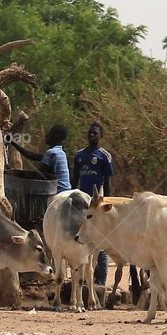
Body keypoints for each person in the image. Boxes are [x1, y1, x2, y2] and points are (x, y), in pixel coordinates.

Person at [72, 122, 114, 285]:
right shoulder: (79, 155)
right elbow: (75, 178)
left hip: (97, 202)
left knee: (100, 240)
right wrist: (71, 195)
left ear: (101, 136)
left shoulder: (105, 156)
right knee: (80, 236)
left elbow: (108, 181)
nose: (92, 135)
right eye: (90, 133)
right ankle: (79, 277)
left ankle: (100, 280)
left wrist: (107, 202)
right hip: (82, 201)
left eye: (95, 133)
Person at [21, 125, 71, 193]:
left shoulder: (50, 152)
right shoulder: (61, 152)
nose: (47, 135)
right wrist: (13, 143)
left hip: (58, 190)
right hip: (67, 189)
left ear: (57, 136)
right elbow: (32, 156)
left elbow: (39, 175)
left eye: (50, 134)